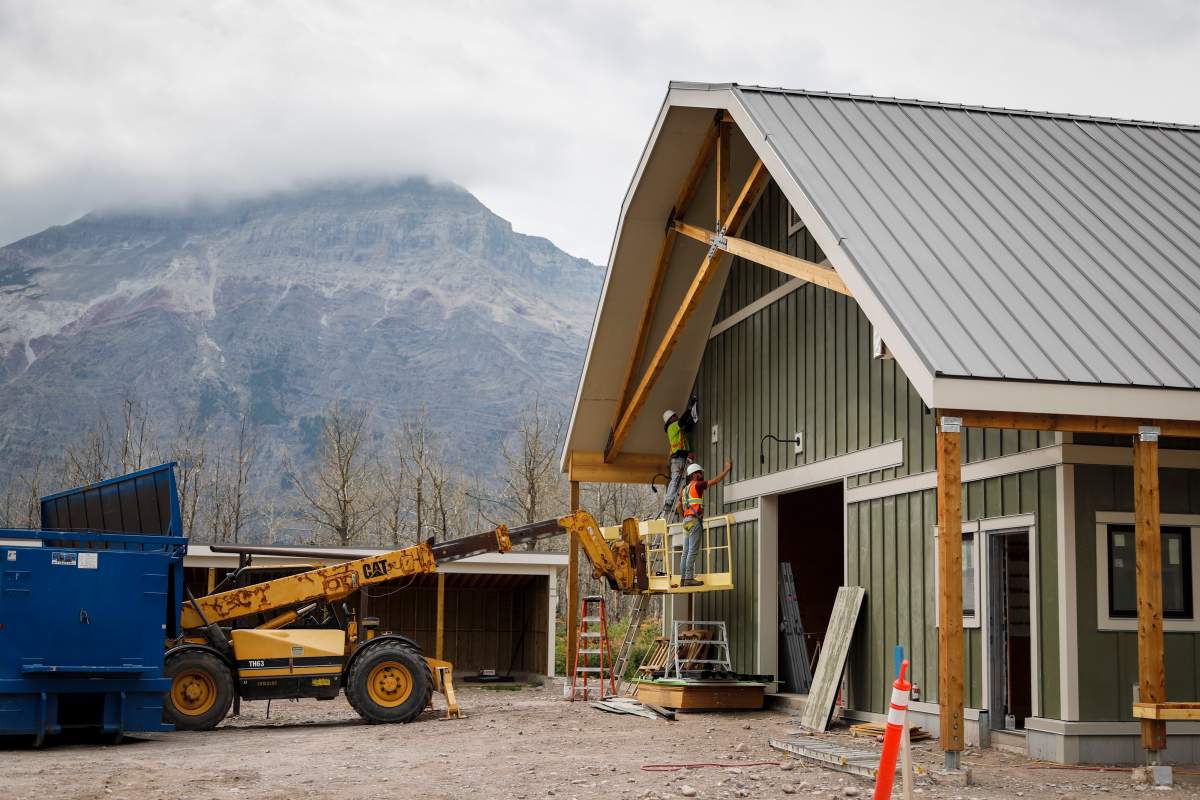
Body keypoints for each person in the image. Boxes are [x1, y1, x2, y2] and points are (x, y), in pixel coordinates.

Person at [678, 458, 733, 587]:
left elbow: (678, 506)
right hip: (694, 520)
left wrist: (684, 517)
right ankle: (689, 578)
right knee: (692, 551)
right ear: (694, 474)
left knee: (685, 551)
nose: (702, 475)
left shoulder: (685, 489)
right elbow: (715, 481)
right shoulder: (697, 485)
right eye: (700, 473)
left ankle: (683, 578)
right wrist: (727, 469)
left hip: (686, 521)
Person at [660, 398, 698, 522]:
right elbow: (681, 422)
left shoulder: (676, 429)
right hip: (678, 459)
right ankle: (669, 500)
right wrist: (689, 409)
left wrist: (692, 418)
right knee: (676, 479)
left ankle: (676, 501)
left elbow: (685, 427)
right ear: (671, 418)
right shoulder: (672, 426)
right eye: (674, 416)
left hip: (681, 457)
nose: (676, 417)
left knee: (680, 480)